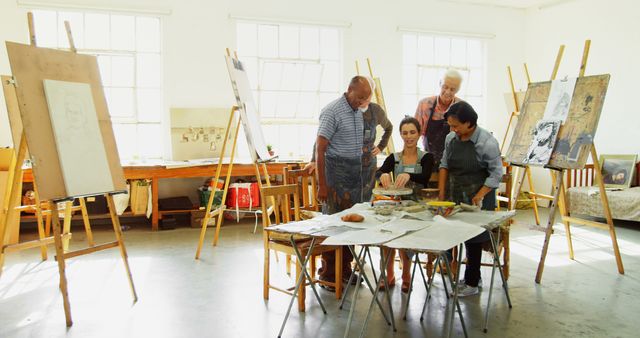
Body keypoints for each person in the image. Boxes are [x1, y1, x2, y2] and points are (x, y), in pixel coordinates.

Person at [315, 76, 375, 289]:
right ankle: (329, 274)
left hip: (353, 174)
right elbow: (320, 149)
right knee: (334, 224)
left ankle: (346, 270)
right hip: (334, 173)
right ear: (349, 89)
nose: (361, 102)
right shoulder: (332, 111)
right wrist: (322, 185)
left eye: (365, 99)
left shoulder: (359, 112)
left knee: (350, 225)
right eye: (359, 97)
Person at [438, 101, 503, 297]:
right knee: (459, 233)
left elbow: (496, 175)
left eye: (456, 125)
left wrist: (480, 195)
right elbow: (444, 165)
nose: (453, 129)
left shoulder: (487, 143)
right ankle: (473, 276)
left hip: (479, 195)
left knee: (475, 237)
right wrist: (442, 195)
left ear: (469, 123)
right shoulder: (451, 138)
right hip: (456, 192)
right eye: (450, 125)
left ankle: (472, 283)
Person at [376, 117, 434, 292]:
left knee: (405, 239)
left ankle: (407, 276)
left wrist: (410, 176)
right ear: (401, 135)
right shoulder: (394, 158)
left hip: (416, 208)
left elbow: (424, 178)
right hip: (394, 205)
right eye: (405, 133)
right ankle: (389, 274)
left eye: (412, 132)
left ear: (419, 133)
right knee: (386, 238)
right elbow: (379, 172)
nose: (409, 137)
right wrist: (381, 176)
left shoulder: (426, 157)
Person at [415, 69, 463, 169]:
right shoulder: (424, 105)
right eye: (445, 87)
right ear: (440, 84)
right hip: (429, 160)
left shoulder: (462, 107)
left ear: (457, 90)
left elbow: (466, 136)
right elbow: (415, 134)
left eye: (452, 89)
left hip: (454, 162)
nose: (447, 92)